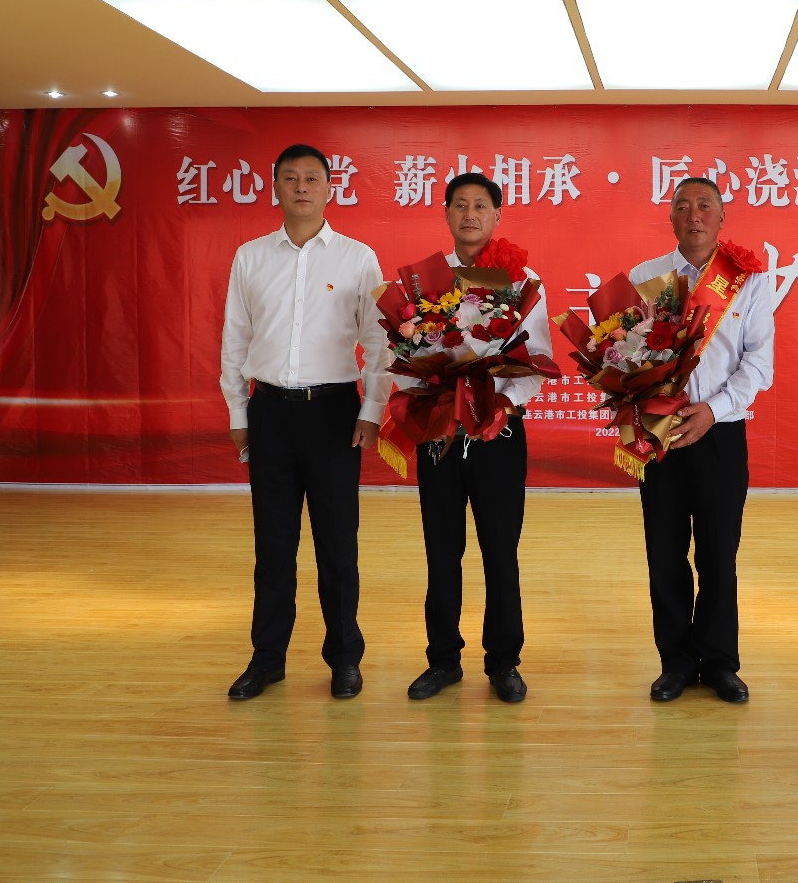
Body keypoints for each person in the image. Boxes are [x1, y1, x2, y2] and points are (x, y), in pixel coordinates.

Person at [220, 143, 390, 701]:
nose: (301, 187)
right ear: (275, 186)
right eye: (290, 178)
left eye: (312, 178)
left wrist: (372, 410)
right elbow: (235, 339)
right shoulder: (250, 257)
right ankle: (267, 658)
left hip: (334, 414)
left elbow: (378, 343)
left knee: (337, 545)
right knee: (273, 545)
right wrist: (238, 411)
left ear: (330, 188)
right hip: (269, 412)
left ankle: (344, 658)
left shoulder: (357, 258)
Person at [403, 172, 553, 705]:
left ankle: (504, 662)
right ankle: (442, 660)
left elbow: (537, 360)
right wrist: (432, 392)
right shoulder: (426, 283)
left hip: (499, 432)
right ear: (446, 213)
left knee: (500, 552)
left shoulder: (522, 279)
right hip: (439, 431)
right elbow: (404, 356)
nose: (470, 214)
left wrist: (499, 405)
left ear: (497, 215)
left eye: (480, 206)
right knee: (441, 551)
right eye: (460, 205)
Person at [629, 177, 774, 704]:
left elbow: (759, 363)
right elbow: (624, 353)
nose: (694, 215)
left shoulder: (749, 281)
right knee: (664, 552)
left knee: (717, 554)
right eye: (683, 206)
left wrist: (713, 409)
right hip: (660, 434)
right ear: (670, 217)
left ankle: (718, 662)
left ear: (721, 217)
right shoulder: (645, 278)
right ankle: (675, 662)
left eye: (705, 205)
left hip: (721, 431)